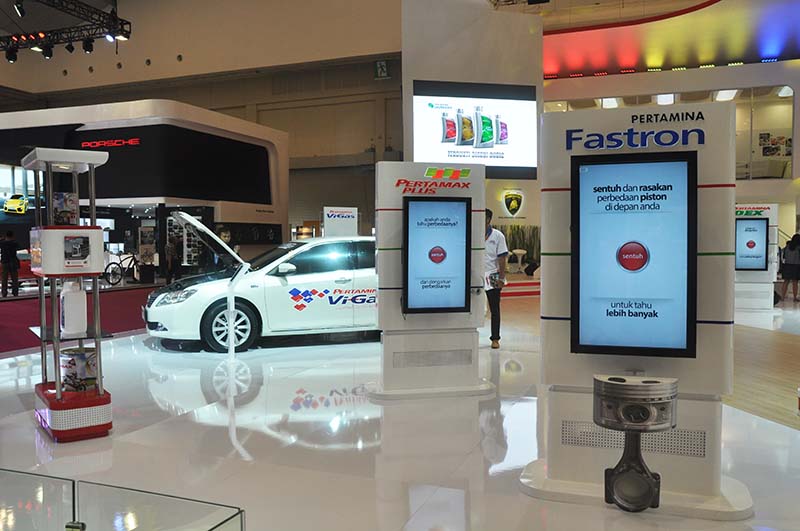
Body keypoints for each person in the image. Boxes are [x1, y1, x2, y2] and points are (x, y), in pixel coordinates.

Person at [484, 209, 508, 349]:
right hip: (477, 273)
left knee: (494, 308)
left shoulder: (498, 236)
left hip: (493, 274)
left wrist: (502, 278)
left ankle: (495, 338)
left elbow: (502, 258)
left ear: (488, 219)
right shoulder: (474, 233)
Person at [0, 230, 20, 297]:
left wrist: (2, 239)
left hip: (4, 262)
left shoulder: (2, 243)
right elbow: (18, 246)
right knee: (14, 279)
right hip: (13, 262)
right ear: (12, 236)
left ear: (6, 236)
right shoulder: (14, 243)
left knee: (4, 279)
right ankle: (15, 293)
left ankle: (4, 293)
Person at [781, 233, 800, 302]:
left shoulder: (787, 247)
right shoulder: (798, 248)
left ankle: (782, 297)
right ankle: (795, 297)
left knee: (786, 282)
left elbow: (783, 256)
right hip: (796, 266)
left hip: (787, 266)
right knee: (795, 283)